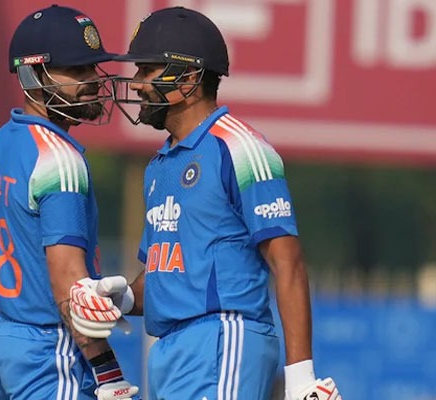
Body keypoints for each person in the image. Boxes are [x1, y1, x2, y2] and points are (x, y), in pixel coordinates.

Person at [69, 6, 341, 400]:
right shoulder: (159, 166)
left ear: (188, 78)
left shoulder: (239, 148)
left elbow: (288, 261)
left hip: (223, 340)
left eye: (147, 70)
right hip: (170, 350)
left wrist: (301, 377)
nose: (138, 84)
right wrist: (123, 298)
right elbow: (168, 275)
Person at [0, 5, 138, 400]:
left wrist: (1, 341)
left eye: (92, 67)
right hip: (51, 349)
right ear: (33, 75)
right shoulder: (60, 160)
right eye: (77, 70)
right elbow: (69, 283)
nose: (93, 80)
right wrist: (108, 373)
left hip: (3, 342)